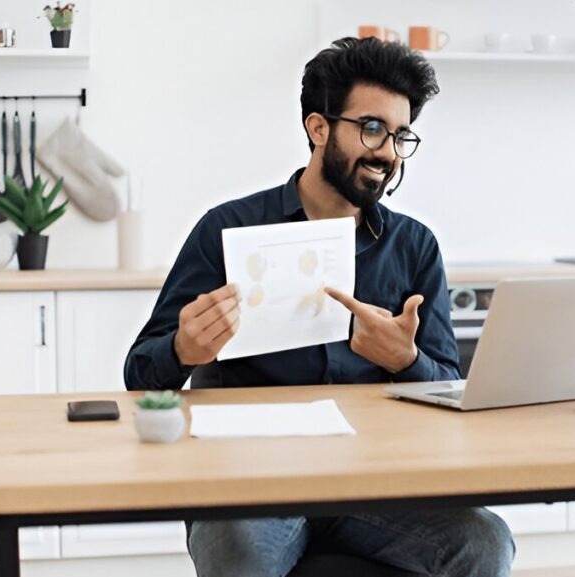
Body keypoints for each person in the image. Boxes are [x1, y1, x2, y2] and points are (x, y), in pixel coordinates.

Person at [124, 37, 514, 577]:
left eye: (400, 135)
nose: (388, 152)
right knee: (238, 550)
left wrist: (405, 361)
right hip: (251, 480)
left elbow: (446, 384)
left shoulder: (415, 246)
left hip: (376, 481)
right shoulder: (227, 229)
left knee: (485, 543)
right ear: (318, 127)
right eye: (373, 128)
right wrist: (183, 349)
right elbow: (139, 374)